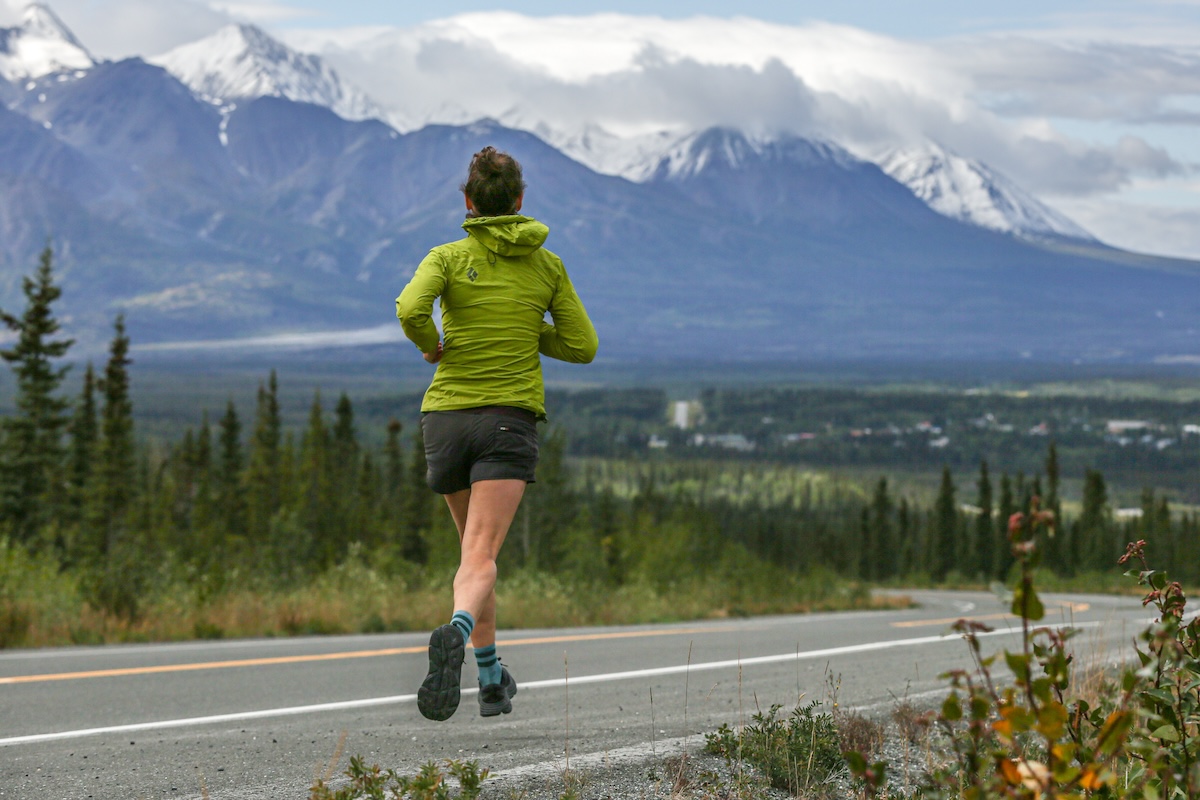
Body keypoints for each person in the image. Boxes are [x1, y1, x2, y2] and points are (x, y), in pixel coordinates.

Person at [395, 146, 598, 721]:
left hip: (446, 420)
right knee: (481, 555)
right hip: (506, 422)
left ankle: (489, 679)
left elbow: (411, 308)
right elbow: (583, 347)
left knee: (472, 557)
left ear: (467, 202)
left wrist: (431, 346)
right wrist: (527, 333)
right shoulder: (547, 266)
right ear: (519, 201)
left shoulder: (447, 256)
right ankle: (458, 631)